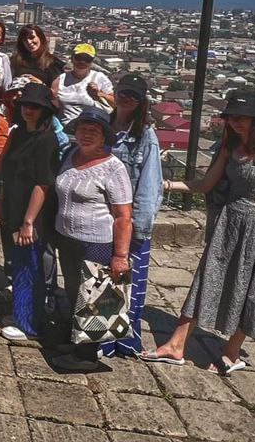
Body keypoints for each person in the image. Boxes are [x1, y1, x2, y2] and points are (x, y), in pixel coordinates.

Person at [143, 90, 255, 374]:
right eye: (231, 117)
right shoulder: (227, 148)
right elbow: (206, 184)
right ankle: (175, 345)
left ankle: (231, 352)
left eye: (241, 118)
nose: (235, 123)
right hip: (230, 223)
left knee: (252, 289)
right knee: (206, 278)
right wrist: (165, 185)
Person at [50, 107, 133, 371]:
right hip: (67, 238)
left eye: (93, 131)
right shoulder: (70, 156)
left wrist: (120, 256)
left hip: (97, 241)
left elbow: (123, 216)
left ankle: (86, 357)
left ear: (103, 136)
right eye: (82, 129)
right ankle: (77, 340)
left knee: (94, 298)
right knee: (75, 292)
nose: (86, 135)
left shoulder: (113, 168)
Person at [99, 74, 162, 358]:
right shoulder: (105, 125)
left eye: (133, 96)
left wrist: (141, 226)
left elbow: (149, 184)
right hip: (102, 218)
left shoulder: (145, 135)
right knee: (101, 282)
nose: (126, 99)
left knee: (130, 284)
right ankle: (101, 338)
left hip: (131, 221)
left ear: (141, 102)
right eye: (123, 92)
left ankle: (124, 341)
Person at [0, 83, 59, 342]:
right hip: (14, 205)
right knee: (19, 264)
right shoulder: (20, 132)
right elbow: (8, 171)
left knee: (30, 267)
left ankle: (29, 323)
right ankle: (22, 313)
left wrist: (28, 222)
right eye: (25, 105)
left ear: (44, 110)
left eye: (34, 107)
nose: (28, 110)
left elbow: (43, 183)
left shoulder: (46, 140)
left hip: (31, 214)